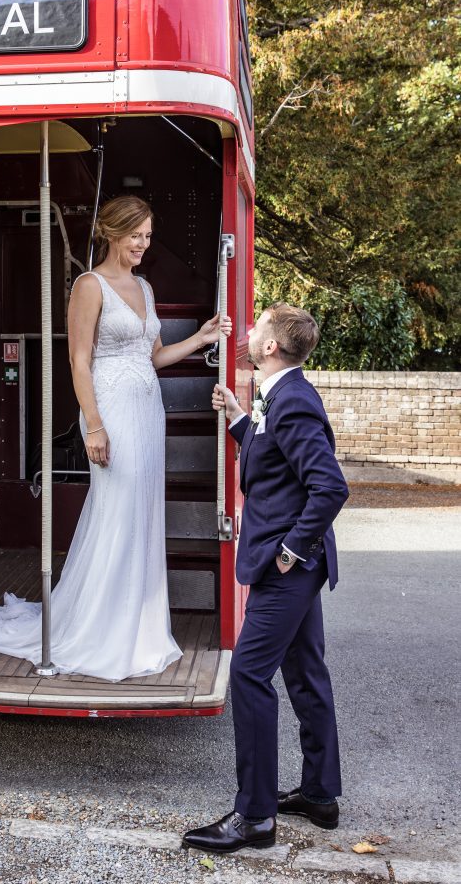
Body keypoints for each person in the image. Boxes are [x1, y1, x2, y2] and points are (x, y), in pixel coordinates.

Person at [0, 195, 231, 681]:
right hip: (109, 411)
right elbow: (78, 362)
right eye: (137, 234)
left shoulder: (144, 286)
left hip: (146, 409)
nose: (144, 243)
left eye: (149, 234)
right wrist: (93, 425)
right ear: (113, 233)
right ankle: (100, 628)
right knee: (116, 512)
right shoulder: (88, 285)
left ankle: (137, 624)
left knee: (140, 512)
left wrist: (201, 339)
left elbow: (154, 357)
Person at [183, 302, 349, 854]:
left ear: (272, 346)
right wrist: (237, 418)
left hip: (288, 568)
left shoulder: (293, 401)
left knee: (250, 677)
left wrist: (289, 551)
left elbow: (330, 487)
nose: (249, 332)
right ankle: (322, 795)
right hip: (298, 567)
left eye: (257, 327)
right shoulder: (281, 396)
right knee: (305, 674)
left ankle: (254, 818)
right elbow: (272, 463)